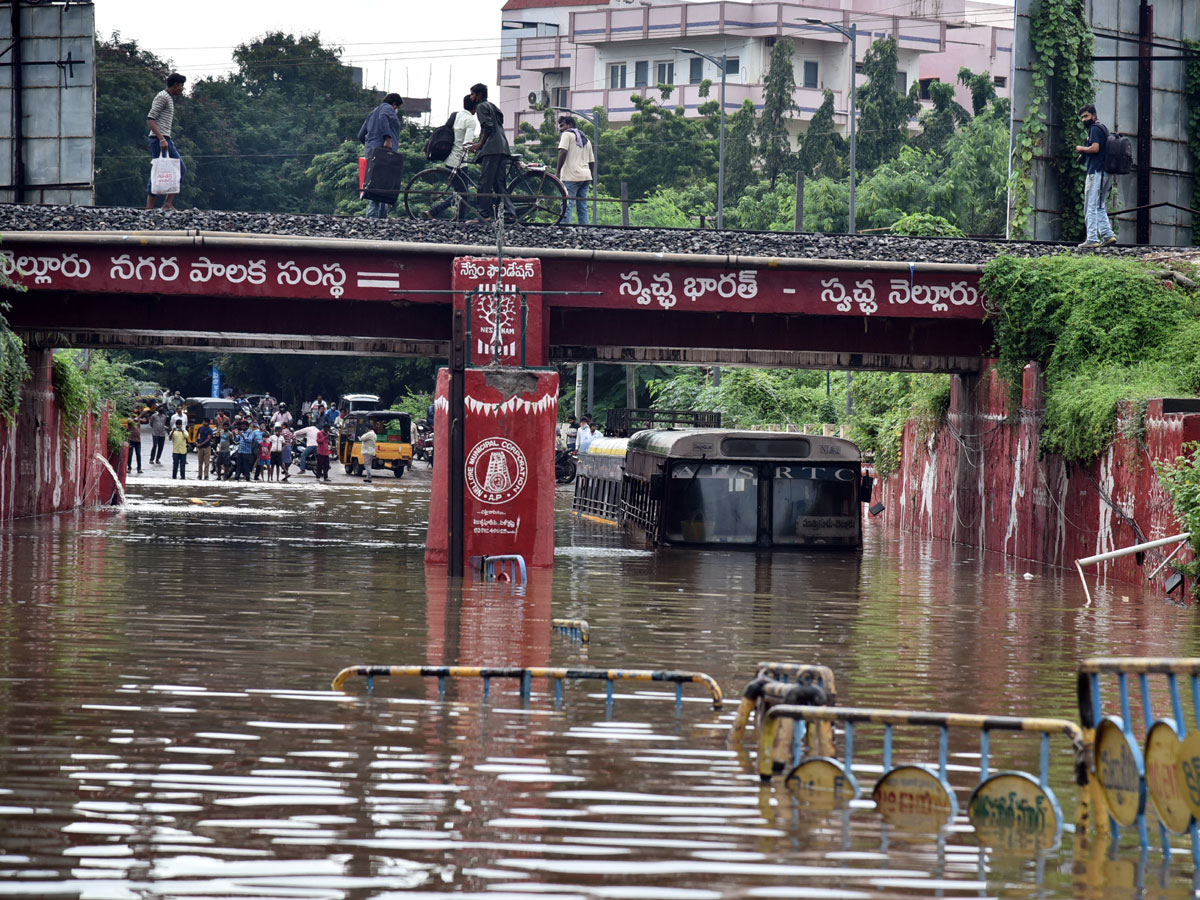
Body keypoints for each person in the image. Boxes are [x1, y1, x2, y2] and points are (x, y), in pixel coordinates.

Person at [424, 95, 480, 220]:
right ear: (475, 107)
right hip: (459, 162)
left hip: (450, 159)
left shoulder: (457, 115)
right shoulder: (470, 121)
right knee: (463, 194)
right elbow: (467, 143)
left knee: (461, 192)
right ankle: (434, 212)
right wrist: (479, 147)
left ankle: (458, 219)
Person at [467, 82, 517, 223]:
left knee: (485, 183)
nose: (471, 97)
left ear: (479, 95)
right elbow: (494, 126)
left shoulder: (481, 107)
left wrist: (479, 145)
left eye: (472, 94)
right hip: (502, 147)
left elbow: (487, 128)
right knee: (498, 183)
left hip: (492, 149)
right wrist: (478, 141)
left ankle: (484, 215)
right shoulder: (493, 106)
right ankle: (510, 213)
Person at [1075, 104, 1118, 250]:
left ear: (1094, 115)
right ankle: (1108, 235)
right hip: (1106, 172)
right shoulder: (1103, 128)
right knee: (1099, 205)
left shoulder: (1094, 129)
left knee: (1090, 205)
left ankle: (1092, 238)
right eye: (1082, 117)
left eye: (1086, 116)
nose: (1083, 120)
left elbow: (1095, 148)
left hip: (1096, 172)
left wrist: (1081, 149)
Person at [358, 92, 404, 218]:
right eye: (397, 107)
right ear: (395, 104)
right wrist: (387, 138)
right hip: (384, 152)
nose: (396, 110)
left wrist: (370, 146)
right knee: (380, 184)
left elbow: (361, 135)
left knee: (380, 183)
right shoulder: (387, 108)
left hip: (372, 151)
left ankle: (382, 217)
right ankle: (373, 217)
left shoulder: (372, 113)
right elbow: (383, 117)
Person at [146, 73, 187, 210]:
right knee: (171, 169)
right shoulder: (163, 97)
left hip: (164, 138)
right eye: (181, 85)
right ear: (175, 85)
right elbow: (150, 119)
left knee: (170, 170)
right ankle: (157, 205)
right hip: (160, 139)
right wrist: (162, 139)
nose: (182, 89)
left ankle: (166, 203)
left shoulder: (168, 98)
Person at [556, 115, 595, 225]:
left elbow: (562, 152)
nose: (560, 128)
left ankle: (563, 229)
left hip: (571, 176)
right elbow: (592, 161)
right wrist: (590, 175)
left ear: (569, 125)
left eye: (562, 125)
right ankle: (585, 229)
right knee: (582, 207)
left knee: (566, 205)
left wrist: (558, 171)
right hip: (585, 176)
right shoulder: (586, 139)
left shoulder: (567, 135)